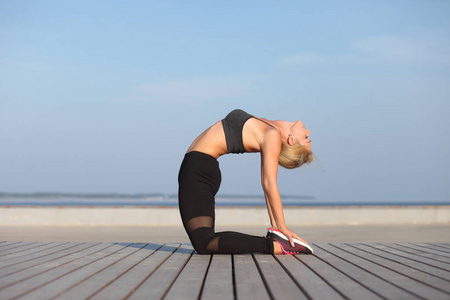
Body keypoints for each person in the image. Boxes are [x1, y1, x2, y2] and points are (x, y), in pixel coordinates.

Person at [178, 109, 314, 255]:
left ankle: (273, 246)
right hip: (200, 168)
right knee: (204, 242)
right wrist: (276, 227)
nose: (309, 131)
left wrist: (281, 225)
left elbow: (268, 182)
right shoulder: (269, 127)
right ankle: (275, 243)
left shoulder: (272, 134)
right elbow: (266, 183)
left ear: (291, 140)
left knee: (204, 244)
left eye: (306, 138)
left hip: (198, 171)